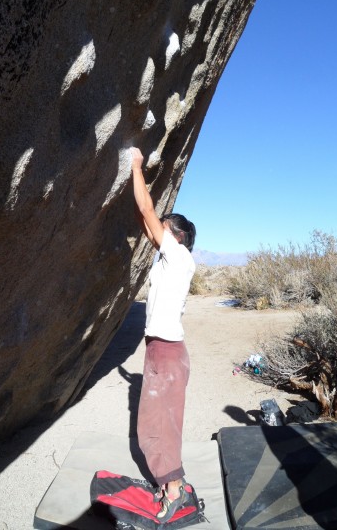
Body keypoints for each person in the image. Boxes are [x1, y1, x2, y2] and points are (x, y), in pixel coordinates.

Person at [129, 146, 196, 522]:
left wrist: (136, 166)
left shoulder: (179, 256)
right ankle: (173, 482)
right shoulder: (173, 259)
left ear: (178, 236)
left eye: (166, 229)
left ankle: (174, 490)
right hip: (163, 351)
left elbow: (147, 213)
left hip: (167, 353)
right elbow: (147, 221)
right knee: (158, 421)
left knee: (158, 424)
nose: (158, 233)